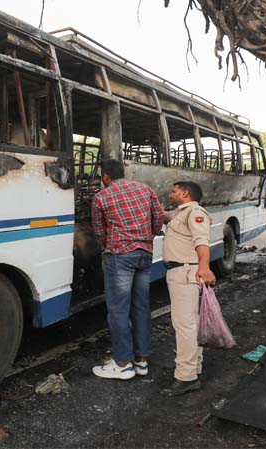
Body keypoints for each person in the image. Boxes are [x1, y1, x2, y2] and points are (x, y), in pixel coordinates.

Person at [90, 158, 165, 380]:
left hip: (120, 256)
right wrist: (148, 236)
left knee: (118, 310)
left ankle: (122, 363)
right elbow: (159, 216)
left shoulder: (101, 197)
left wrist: (108, 246)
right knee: (141, 307)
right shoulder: (144, 188)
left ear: (105, 177)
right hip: (144, 253)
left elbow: (99, 229)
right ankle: (141, 361)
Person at [160, 181, 215, 397]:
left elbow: (202, 241)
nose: (170, 193)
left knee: (185, 326)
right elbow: (169, 219)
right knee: (190, 325)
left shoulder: (195, 212)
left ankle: (186, 378)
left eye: (173, 191)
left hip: (185, 273)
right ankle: (194, 370)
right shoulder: (180, 213)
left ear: (185, 193)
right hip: (180, 272)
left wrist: (204, 266)